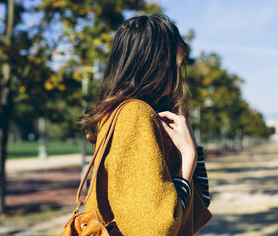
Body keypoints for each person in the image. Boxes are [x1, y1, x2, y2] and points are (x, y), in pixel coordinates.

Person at [80, 14, 212, 235]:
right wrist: (188, 156)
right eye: (177, 64)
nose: (179, 75)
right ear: (158, 64)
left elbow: (200, 203)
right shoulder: (134, 115)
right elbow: (156, 228)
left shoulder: (143, 115)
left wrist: (192, 146)